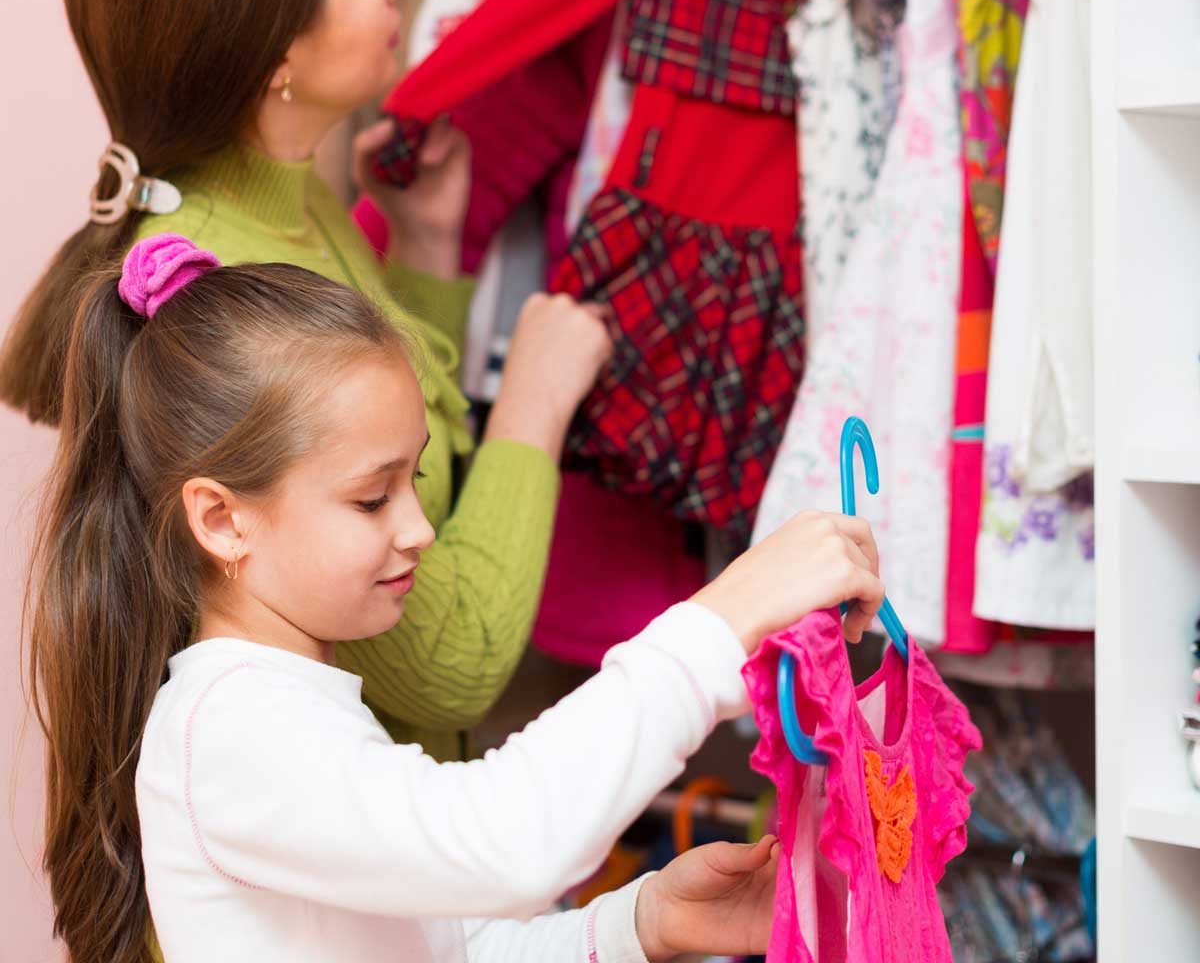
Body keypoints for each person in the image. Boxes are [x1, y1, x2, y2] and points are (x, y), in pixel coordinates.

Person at [29, 234, 887, 963]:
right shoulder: (227, 729)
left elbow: (448, 949)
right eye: (372, 498)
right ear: (222, 519)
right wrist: (721, 619)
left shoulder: (288, 708)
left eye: (419, 480)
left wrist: (641, 923)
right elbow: (506, 841)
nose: (418, 528)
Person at [0, 0, 612, 761]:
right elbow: (448, 655)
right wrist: (533, 403)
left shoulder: (285, 194)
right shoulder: (225, 283)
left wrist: (422, 253)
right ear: (279, 52)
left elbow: (372, 433)